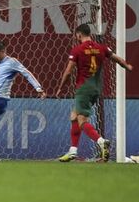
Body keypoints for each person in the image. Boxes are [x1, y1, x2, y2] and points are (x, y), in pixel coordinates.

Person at [56, 23, 133, 162]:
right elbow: (117, 59)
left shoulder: (77, 50)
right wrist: (127, 66)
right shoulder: (101, 48)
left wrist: (61, 87)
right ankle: (73, 151)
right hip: (96, 89)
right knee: (74, 115)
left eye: (77, 35)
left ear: (79, 34)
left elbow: (68, 72)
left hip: (83, 89)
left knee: (81, 121)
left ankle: (101, 141)